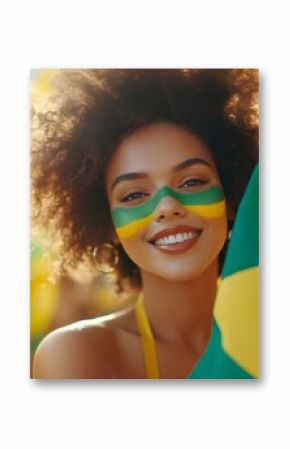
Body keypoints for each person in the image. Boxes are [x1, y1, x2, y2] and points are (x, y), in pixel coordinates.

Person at [31, 69, 258, 379]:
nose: (167, 206)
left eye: (192, 181)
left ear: (231, 198)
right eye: (134, 194)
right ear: (107, 222)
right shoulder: (77, 355)